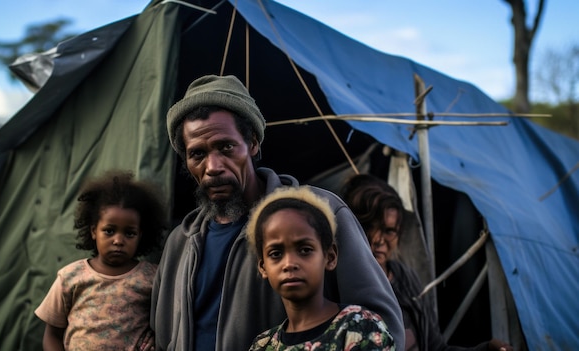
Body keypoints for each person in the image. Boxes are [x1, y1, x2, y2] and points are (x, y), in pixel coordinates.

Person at [150, 74, 405, 351]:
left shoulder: (319, 213)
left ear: (253, 143)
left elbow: (382, 328)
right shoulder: (180, 243)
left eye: (226, 147)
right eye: (197, 154)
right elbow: (162, 337)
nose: (213, 166)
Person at [341, 173, 513, 351]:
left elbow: (435, 348)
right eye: (369, 226)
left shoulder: (405, 279)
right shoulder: (337, 286)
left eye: (389, 231)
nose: (378, 239)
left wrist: (484, 350)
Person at [245, 186, 395, 351]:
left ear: (330, 257)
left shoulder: (359, 328)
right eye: (276, 254)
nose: (289, 263)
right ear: (263, 267)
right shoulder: (262, 345)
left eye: (305, 250)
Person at [35, 170, 166, 351]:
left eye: (129, 233)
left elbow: (168, 324)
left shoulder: (152, 277)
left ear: (140, 236)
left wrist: (155, 337)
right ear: (93, 231)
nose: (118, 241)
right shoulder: (70, 277)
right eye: (109, 231)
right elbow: (52, 335)